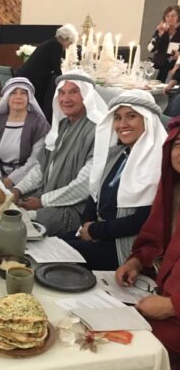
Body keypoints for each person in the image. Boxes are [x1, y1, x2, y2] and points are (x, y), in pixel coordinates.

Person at [63, 90, 165, 270]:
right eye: (117, 118)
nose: (122, 124)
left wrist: (94, 230)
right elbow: (94, 193)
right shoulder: (118, 154)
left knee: (59, 255)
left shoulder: (159, 162)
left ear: (148, 120)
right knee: (50, 244)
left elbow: (142, 220)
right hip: (99, 232)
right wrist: (87, 224)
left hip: (124, 246)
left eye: (131, 116)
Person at [115, 116, 180, 370]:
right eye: (178, 144)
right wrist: (136, 260)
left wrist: (172, 306)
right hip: (159, 292)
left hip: (174, 313)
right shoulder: (172, 191)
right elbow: (156, 240)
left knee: (122, 348)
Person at [11, 70, 108, 236]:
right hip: (47, 197)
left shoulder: (98, 130)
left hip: (75, 208)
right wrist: (18, 189)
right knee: (6, 209)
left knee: (17, 224)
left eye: (74, 92)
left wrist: (43, 202)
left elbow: (84, 185)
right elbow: (41, 169)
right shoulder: (62, 126)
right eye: (62, 93)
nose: (65, 99)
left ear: (87, 96)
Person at [0, 77, 50, 188]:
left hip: (26, 181)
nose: (18, 97)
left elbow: (35, 160)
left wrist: (11, 180)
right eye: (13, 93)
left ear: (29, 98)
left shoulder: (38, 124)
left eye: (23, 93)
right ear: (7, 97)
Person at [16, 24, 78, 120]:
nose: (68, 47)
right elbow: (56, 69)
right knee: (49, 93)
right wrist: (64, 80)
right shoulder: (56, 45)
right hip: (32, 81)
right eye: (69, 43)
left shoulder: (51, 42)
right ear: (65, 39)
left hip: (26, 77)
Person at [148, 5, 180, 83]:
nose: (170, 18)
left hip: (173, 70)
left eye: (173, 16)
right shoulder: (161, 29)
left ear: (178, 17)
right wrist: (159, 34)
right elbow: (150, 48)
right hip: (158, 67)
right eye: (167, 16)